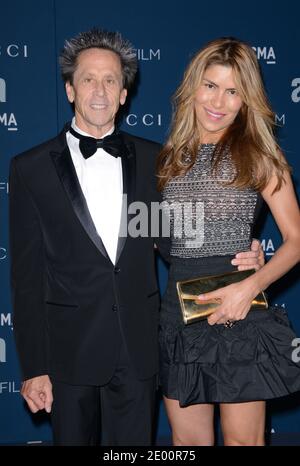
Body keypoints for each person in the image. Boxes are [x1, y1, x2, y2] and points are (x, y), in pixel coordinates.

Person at [9, 29, 263, 446]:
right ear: (70, 89)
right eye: (88, 79)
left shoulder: (155, 160)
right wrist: (35, 367)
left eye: (110, 80)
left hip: (139, 350)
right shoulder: (29, 168)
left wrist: (247, 252)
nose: (99, 90)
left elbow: (177, 237)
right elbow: (25, 278)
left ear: (124, 94)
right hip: (69, 356)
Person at [157, 37, 300, 447]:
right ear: (193, 88)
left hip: (239, 309)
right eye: (211, 85)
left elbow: (295, 240)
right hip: (178, 315)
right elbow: (160, 237)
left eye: (233, 90)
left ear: (246, 100)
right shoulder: (167, 157)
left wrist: (251, 286)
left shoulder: (260, 155)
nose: (219, 100)